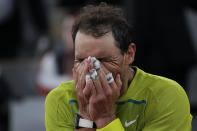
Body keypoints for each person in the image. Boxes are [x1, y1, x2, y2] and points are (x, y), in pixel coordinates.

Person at [45, 3, 192, 131]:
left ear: (129, 54)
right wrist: (85, 113)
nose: (91, 69)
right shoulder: (60, 100)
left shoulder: (167, 95)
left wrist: (105, 117)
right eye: (81, 60)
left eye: (102, 60)